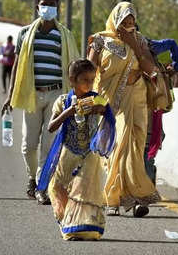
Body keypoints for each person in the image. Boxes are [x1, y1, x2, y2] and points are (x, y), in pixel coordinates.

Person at [1, 0, 81, 205]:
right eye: (44, 4)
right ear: (37, 6)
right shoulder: (25, 33)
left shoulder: (65, 35)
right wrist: (9, 95)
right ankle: (32, 178)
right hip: (32, 94)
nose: (48, 8)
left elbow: (74, 65)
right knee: (29, 144)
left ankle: (42, 187)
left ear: (58, 8)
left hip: (56, 93)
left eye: (52, 4)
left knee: (48, 143)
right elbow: (17, 65)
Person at [87, 2, 161, 217]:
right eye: (124, 22)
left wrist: (133, 44)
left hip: (136, 98)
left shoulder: (139, 40)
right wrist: (86, 97)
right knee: (117, 144)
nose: (128, 25)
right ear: (115, 20)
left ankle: (135, 198)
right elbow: (89, 69)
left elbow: (150, 68)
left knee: (135, 146)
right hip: (110, 101)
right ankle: (112, 197)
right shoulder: (100, 41)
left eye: (132, 22)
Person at [38, 59, 116, 241]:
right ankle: (68, 221)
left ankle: (84, 229)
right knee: (57, 187)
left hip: (90, 154)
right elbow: (51, 127)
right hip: (68, 152)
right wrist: (69, 112)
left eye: (92, 79)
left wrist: (103, 111)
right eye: (84, 80)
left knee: (84, 189)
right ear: (72, 80)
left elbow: (110, 117)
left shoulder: (97, 98)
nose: (89, 84)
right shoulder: (63, 101)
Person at [142, 38, 178, 183]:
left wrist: (176, 66)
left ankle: (148, 181)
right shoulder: (117, 48)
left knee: (149, 141)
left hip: (151, 102)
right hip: (129, 105)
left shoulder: (146, 44)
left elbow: (171, 43)